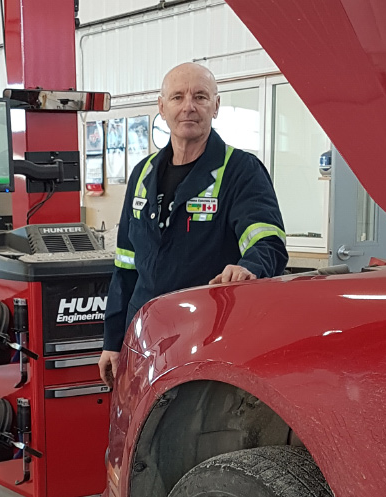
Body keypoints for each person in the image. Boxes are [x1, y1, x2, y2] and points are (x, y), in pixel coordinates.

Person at [98, 63, 288, 386]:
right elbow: (125, 267)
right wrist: (112, 341)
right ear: (162, 107)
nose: (188, 106)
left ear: (215, 106)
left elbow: (268, 242)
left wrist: (249, 268)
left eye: (200, 96)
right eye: (177, 97)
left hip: (208, 347)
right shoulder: (142, 175)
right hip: (143, 344)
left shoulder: (241, 172)